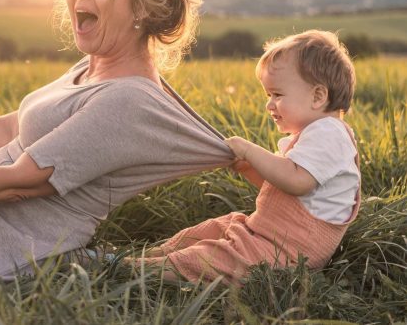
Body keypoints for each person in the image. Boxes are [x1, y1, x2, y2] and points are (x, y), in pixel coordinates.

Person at [0, 0, 234, 290]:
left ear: (142, 5)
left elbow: (18, 183)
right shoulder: (91, 67)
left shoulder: (128, 102)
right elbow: (11, 129)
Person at [137, 30, 361, 284]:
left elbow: (298, 182)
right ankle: (152, 255)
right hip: (271, 236)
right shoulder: (315, 134)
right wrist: (248, 167)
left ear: (318, 96)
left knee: (216, 257)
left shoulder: (329, 133)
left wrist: (249, 150)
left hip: (290, 253)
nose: (269, 105)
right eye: (268, 96)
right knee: (218, 227)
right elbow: (285, 191)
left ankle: (137, 270)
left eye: (277, 95)